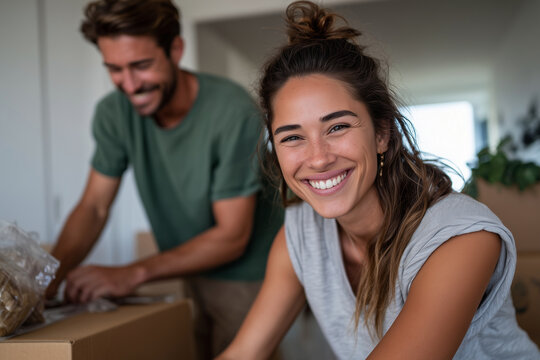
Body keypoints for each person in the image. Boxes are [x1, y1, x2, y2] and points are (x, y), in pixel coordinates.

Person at [217, 1, 540, 359]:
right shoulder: (299, 236)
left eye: (337, 127)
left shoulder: (461, 237)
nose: (319, 157)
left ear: (382, 133)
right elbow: (243, 353)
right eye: (292, 137)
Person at [44, 0, 283, 358]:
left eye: (141, 65)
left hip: (247, 274)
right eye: (114, 69)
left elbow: (232, 237)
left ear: (176, 49)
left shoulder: (232, 110)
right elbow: (93, 207)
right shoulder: (113, 114)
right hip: (185, 264)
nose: (129, 84)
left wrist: (131, 273)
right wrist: (45, 286)